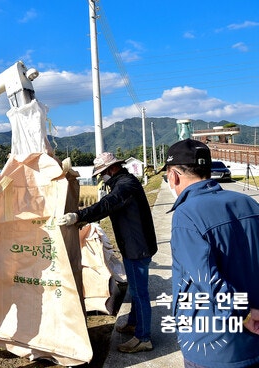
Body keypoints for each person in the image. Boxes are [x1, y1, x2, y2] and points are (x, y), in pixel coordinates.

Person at [162, 138, 259, 368]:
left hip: (213, 345)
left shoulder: (186, 215)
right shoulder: (248, 203)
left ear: (174, 175)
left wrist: (243, 314)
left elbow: (207, 280)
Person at [59, 152, 157, 353]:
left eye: (102, 173)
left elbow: (108, 204)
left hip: (137, 247)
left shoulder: (125, 186)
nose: (102, 178)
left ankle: (144, 337)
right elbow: (110, 208)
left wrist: (78, 215)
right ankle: (133, 323)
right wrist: (85, 219)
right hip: (133, 245)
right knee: (135, 291)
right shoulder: (123, 183)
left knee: (140, 294)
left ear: (111, 169)